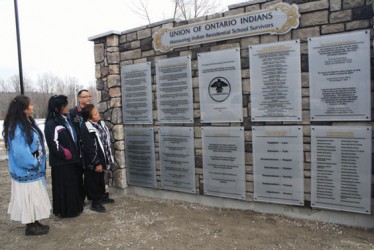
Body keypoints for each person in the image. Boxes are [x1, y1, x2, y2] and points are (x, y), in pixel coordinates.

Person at [2, 95, 51, 236]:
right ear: (23, 109)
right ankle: (31, 226)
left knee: (34, 197)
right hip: (27, 170)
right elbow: (20, 152)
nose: (33, 106)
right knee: (28, 197)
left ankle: (35, 221)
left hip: (33, 170)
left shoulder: (25, 122)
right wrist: (34, 163)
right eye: (30, 104)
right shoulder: (17, 127)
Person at [44, 95, 83, 218]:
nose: (67, 107)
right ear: (56, 108)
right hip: (62, 162)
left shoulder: (67, 118)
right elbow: (53, 143)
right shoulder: (52, 123)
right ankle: (66, 211)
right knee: (65, 187)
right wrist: (65, 153)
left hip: (73, 159)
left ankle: (75, 208)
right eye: (64, 105)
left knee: (73, 185)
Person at [80, 104, 114, 213]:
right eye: (95, 114)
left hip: (102, 156)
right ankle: (95, 202)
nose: (98, 114)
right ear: (90, 117)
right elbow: (89, 147)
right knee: (93, 180)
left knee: (100, 178)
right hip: (93, 160)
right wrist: (96, 163)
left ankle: (102, 196)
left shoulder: (100, 124)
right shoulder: (86, 128)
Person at [69, 89, 92, 204]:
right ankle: (80, 198)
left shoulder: (91, 110)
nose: (88, 98)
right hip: (78, 148)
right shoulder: (73, 112)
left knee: (90, 174)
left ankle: (92, 195)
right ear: (79, 98)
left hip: (90, 147)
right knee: (78, 174)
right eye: (85, 96)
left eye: (89, 96)